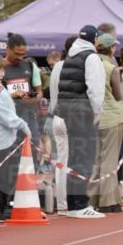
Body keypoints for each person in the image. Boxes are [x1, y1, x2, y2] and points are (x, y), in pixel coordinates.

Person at [54, 25, 105, 218]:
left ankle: (74, 204)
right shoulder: (91, 57)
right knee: (85, 156)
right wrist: (97, 110)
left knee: (75, 156)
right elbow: (95, 88)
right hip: (83, 111)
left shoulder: (71, 55)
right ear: (94, 39)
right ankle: (80, 204)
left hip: (68, 110)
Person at [0, 56, 31, 224]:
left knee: (4, 175)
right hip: (1, 138)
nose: (2, 74)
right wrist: (23, 126)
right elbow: (5, 115)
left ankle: (0, 206)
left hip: (6, 137)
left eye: (3, 71)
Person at [90, 33, 123, 213]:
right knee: (110, 160)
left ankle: (92, 198)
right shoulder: (111, 68)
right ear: (111, 48)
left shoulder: (89, 65)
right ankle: (108, 200)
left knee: (96, 160)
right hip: (111, 116)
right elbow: (118, 95)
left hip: (94, 117)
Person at [49, 36, 77, 215]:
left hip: (57, 116)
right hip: (70, 117)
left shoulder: (57, 66)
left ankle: (62, 203)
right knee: (72, 161)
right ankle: (70, 202)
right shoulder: (75, 67)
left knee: (61, 160)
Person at [3, 33, 43, 147]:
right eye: (17, 54)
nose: (20, 57)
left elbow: (39, 92)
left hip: (29, 118)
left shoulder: (30, 65)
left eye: (23, 54)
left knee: (32, 151)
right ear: (7, 49)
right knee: (10, 157)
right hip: (7, 120)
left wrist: (34, 98)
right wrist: (12, 95)